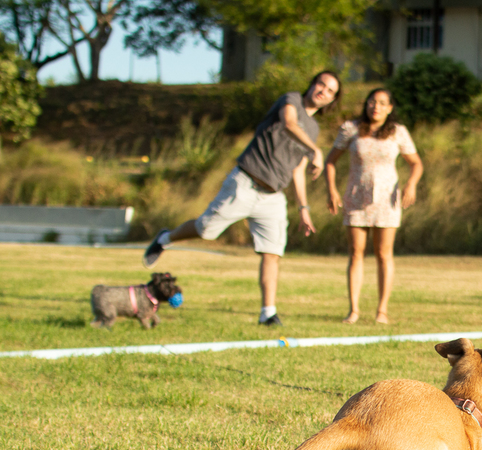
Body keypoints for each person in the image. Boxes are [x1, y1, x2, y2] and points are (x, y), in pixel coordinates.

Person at [142, 71, 341, 327]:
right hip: (245, 183)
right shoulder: (290, 100)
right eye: (321, 84)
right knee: (206, 230)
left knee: (272, 252)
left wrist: (303, 207)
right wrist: (316, 150)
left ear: (332, 99)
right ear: (312, 84)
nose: (323, 91)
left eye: (330, 90)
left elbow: (298, 170)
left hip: (273, 196)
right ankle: (165, 238)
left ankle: (267, 313)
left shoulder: (313, 129)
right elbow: (290, 124)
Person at [324, 87, 423, 325]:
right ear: (365, 105)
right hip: (356, 197)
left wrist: (411, 184)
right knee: (356, 253)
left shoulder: (398, 132)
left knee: (383, 254)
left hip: (387, 199)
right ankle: (354, 310)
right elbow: (330, 161)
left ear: (389, 108)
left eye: (381, 103)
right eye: (371, 102)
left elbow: (416, 163)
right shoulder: (351, 129)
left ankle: (382, 311)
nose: (375, 107)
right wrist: (331, 190)